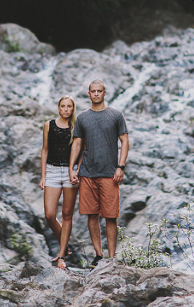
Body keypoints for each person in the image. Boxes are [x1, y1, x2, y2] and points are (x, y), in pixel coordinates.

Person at [69, 79, 129, 268]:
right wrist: (73, 168)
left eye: (99, 91)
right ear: (88, 94)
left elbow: (125, 141)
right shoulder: (83, 118)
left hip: (110, 173)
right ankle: (98, 255)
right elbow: (77, 143)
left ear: (105, 93)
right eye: (93, 91)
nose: (96, 94)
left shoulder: (116, 115)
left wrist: (121, 166)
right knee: (91, 214)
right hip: (87, 172)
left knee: (111, 216)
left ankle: (111, 258)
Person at [39, 95, 80, 269]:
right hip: (52, 171)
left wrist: (77, 171)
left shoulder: (77, 127)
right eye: (63, 106)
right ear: (58, 108)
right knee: (49, 214)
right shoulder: (49, 125)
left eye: (69, 106)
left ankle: (61, 256)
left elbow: (82, 151)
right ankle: (65, 245)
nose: (66, 109)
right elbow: (45, 150)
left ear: (72, 109)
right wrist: (43, 176)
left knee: (67, 215)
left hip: (70, 173)